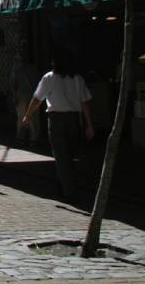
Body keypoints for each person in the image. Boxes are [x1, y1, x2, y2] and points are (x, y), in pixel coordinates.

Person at [22, 53, 94, 201]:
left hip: (56, 119)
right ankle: (64, 186)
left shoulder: (49, 78)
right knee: (70, 154)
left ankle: (69, 191)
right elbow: (85, 103)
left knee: (61, 156)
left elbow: (37, 99)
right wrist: (89, 125)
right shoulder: (78, 79)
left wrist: (28, 115)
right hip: (74, 120)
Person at [9, 55, 40, 145]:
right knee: (33, 117)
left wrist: (14, 96)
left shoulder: (16, 70)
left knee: (21, 116)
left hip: (21, 95)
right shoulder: (34, 69)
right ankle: (34, 138)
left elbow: (13, 83)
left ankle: (20, 137)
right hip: (34, 95)